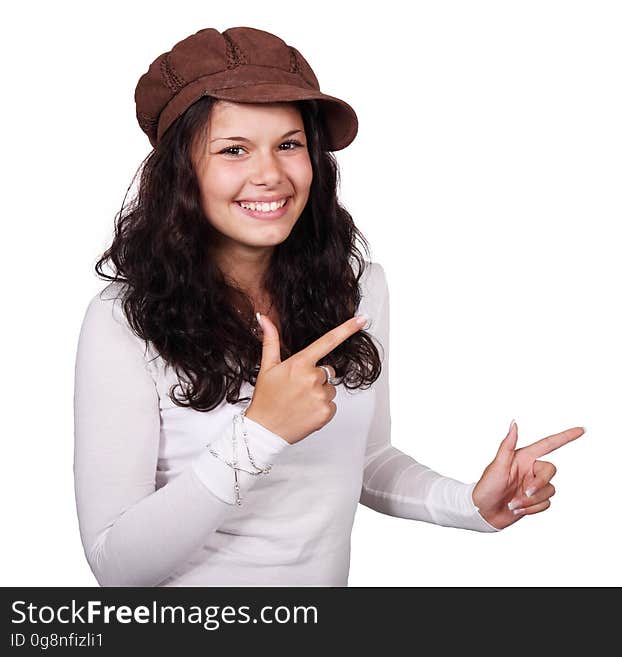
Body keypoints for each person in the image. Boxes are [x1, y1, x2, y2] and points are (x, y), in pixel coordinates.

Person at [73, 26, 585, 586]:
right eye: (233, 149)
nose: (269, 174)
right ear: (180, 173)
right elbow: (115, 566)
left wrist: (470, 504)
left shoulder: (359, 290)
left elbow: (364, 461)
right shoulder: (124, 320)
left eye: (288, 144)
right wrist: (260, 433)